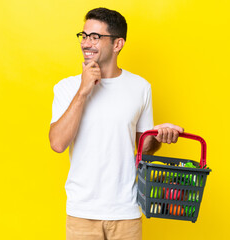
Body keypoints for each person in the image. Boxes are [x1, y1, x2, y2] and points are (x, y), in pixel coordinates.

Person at [49, 7, 184, 240]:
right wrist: (83, 91)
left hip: (126, 211)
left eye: (95, 37)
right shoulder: (67, 88)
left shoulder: (141, 88)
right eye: (84, 36)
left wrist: (160, 135)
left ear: (117, 44)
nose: (86, 43)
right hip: (82, 212)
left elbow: (143, 147)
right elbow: (57, 143)